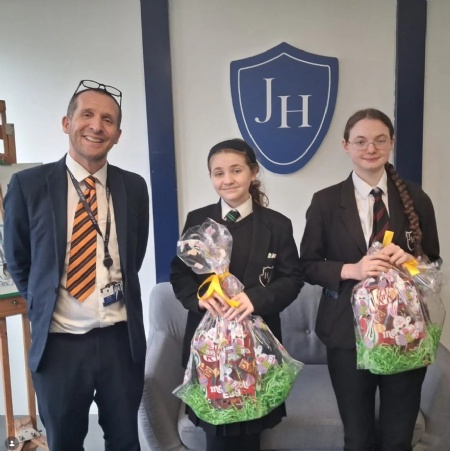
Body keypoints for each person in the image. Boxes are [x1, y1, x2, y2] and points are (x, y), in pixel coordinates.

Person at [4, 80, 149, 451]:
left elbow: (134, 257)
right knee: (65, 443)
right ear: (67, 123)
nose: (96, 126)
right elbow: (18, 258)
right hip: (59, 346)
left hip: (120, 341)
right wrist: (40, 300)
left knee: (125, 441)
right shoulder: (28, 186)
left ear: (118, 135)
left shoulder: (134, 187)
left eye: (108, 120)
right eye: (87, 115)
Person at [299, 108, 441, 451]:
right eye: (360, 141)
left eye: (380, 140)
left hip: (404, 333)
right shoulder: (325, 201)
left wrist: (411, 263)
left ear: (391, 143)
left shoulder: (416, 197)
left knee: (397, 439)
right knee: (358, 438)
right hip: (346, 335)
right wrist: (353, 270)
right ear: (345, 145)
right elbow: (307, 265)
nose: (371, 148)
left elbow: (433, 261)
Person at [170, 139, 303, 451]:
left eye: (236, 170)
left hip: (258, 346)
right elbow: (179, 273)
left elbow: (293, 278)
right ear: (211, 177)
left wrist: (256, 299)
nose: (227, 179)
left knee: (252, 430)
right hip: (210, 348)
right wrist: (199, 298)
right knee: (216, 433)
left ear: (253, 172)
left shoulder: (277, 225)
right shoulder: (197, 220)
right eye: (218, 173)